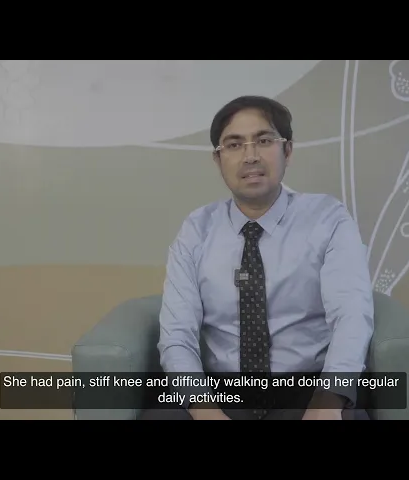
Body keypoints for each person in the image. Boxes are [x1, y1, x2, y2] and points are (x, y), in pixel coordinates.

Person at [141, 95, 374, 420]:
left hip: (306, 390)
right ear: (218, 159)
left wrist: (328, 402)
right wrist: (203, 408)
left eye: (264, 141)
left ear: (287, 150)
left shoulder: (328, 219)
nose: (250, 156)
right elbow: (177, 335)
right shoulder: (197, 229)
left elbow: (351, 315)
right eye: (234, 145)